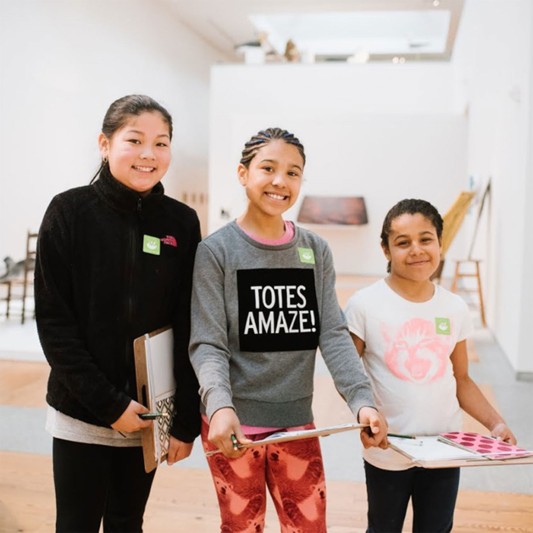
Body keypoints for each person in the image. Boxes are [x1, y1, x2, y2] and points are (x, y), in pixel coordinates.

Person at [189, 127, 388, 533]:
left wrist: (361, 400)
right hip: (232, 426)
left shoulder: (314, 250)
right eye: (268, 168)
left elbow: (332, 332)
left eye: (293, 172)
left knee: (309, 528)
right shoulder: (216, 251)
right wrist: (219, 406)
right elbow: (208, 343)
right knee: (242, 527)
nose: (281, 181)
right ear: (243, 173)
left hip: (297, 421)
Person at [34, 94, 202, 532]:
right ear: (105, 144)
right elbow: (55, 324)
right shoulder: (69, 212)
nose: (149, 154)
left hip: (148, 414)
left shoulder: (181, 223)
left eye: (161, 143)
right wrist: (108, 404)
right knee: (76, 523)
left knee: (128, 522)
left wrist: (183, 421)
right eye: (135, 140)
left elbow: (188, 322)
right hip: (82, 412)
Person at [344, 198, 517, 533]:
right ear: (386, 250)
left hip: (445, 448)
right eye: (402, 242)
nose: (417, 250)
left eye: (426, 239)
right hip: (388, 449)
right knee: (383, 527)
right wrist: (362, 417)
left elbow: (462, 379)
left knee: (436, 529)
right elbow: (350, 377)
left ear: (440, 242)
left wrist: (495, 423)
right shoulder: (364, 305)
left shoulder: (453, 307)